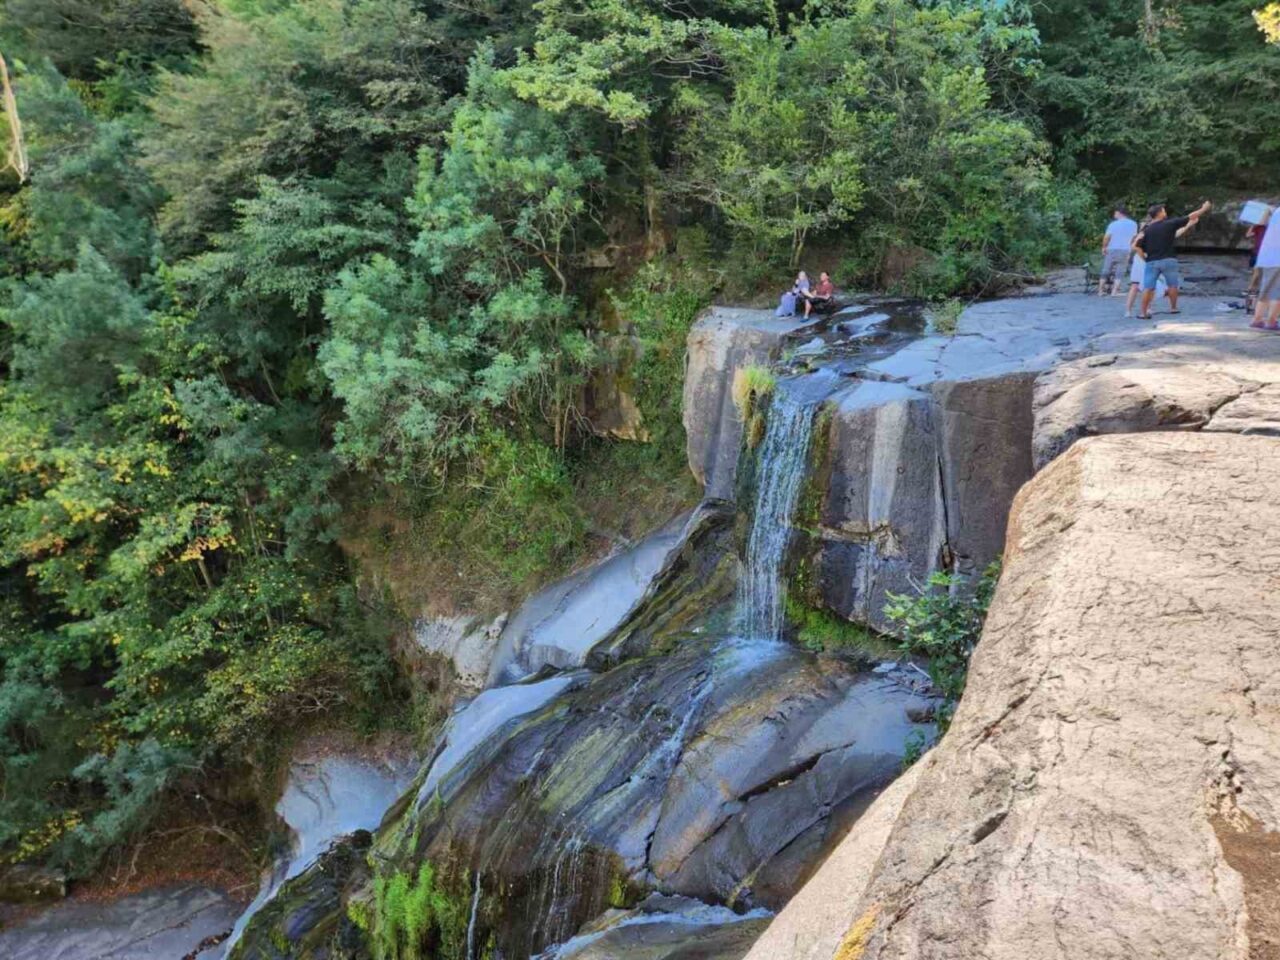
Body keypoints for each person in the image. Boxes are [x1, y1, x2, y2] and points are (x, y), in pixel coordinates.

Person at [1132, 200, 1212, 319]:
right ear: (1159, 213)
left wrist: (1144, 258)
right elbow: (1190, 216)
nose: (1165, 212)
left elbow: (1136, 246)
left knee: (1148, 287)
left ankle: (1143, 313)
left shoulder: (1146, 230)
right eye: (1163, 210)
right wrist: (1204, 209)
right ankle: (1173, 308)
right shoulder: (1169, 224)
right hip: (1169, 260)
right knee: (1172, 284)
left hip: (1152, 261)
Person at [1251, 209, 1280, 330]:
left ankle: (1257, 319)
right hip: (1278, 257)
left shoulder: (1277, 211)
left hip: (1267, 257)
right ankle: (1271, 321)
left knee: (1266, 289)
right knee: (1277, 292)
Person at [1099, 205, 1137, 296]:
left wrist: (1104, 247)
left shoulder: (1113, 224)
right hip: (1125, 249)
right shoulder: (1133, 224)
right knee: (1120, 271)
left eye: (1115, 213)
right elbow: (1134, 238)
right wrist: (1130, 249)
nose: (1114, 214)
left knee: (1106, 269)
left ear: (1119, 213)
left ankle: (1100, 291)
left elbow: (1107, 237)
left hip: (1112, 249)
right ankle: (1114, 291)